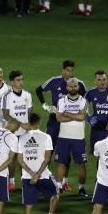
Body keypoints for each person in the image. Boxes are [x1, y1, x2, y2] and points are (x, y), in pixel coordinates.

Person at [35, 60, 86, 191]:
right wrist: (45, 106)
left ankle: (64, 182)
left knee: (66, 153)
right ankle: (41, 178)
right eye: (68, 70)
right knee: (48, 150)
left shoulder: (78, 84)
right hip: (54, 121)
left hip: (71, 125)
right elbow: (39, 90)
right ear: (63, 70)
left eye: (72, 70)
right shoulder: (54, 81)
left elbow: (85, 99)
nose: (70, 73)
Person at [17, 113, 61, 214]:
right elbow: (47, 159)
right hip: (43, 176)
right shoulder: (46, 137)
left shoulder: (22, 138)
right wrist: (37, 174)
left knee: (28, 206)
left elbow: (19, 160)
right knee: (56, 194)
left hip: (27, 178)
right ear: (39, 122)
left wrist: (31, 174)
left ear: (29, 122)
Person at [55, 78, 89, 197]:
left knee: (81, 164)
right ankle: (58, 186)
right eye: (70, 86)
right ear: (67, 87)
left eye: (75, 86)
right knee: (61, 163)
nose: (73, 88)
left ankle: (81, 188)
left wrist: (66, 113)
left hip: (79, 138)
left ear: (78, 87)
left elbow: (82, 117)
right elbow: (58, 118)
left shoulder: (83, 101)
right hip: (63, 137)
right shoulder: (61, 101)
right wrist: (75, 115)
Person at [2, 70, 33, 191]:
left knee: (24, 158)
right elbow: (5, 114)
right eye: (18, 80)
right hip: (12, 133)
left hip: (25, 133)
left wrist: (28, 123)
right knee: (12, 158)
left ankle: (24, 180)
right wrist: (20, 123)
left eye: (22, 79)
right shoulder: (7, 96)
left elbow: (30, 111)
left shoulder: (27, 95)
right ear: (12, 82)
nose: (21, 82)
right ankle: (11, 181)